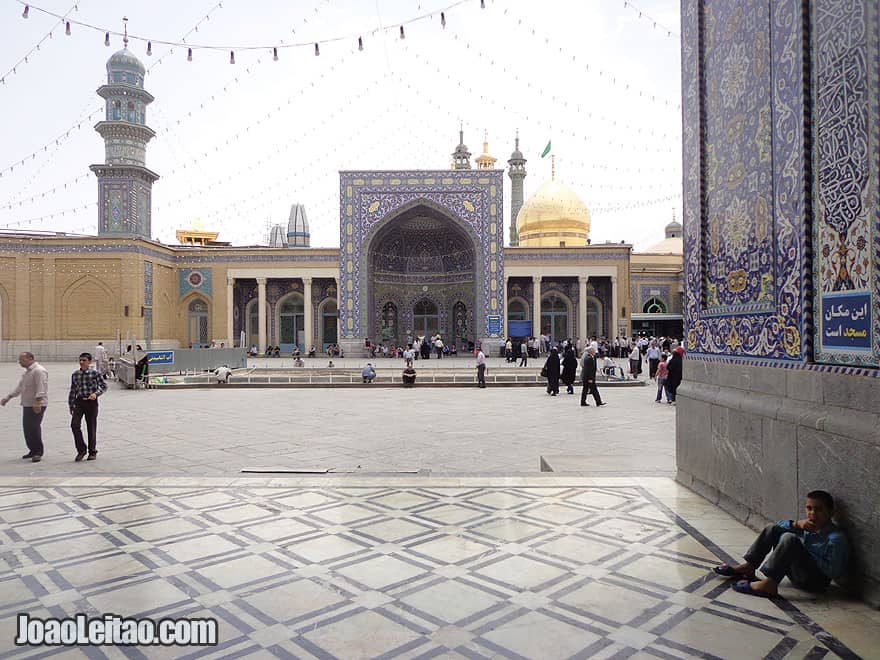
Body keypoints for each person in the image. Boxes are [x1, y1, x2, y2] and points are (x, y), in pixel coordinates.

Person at [714, 490, 849, 598]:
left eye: (819, 509)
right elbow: (777, 526)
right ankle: (749, 566)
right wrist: (796, 524)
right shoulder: (806, 526)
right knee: (773, 528)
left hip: (814, 582)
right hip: (795, 574)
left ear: (831, 512)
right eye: (809, 508)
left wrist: (804, 550)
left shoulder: (836, 538)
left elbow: (834, 572)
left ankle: (770, 585)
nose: (812, 513)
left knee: (790, 538)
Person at [1, 352, 49, 462]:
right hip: (27, 404)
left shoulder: (39, 371)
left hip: (37, 404)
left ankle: (38, 451)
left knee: (34, 427)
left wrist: (38, 402)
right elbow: (20, 387)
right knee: (27, 428)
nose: (20, 362)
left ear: (30, 359)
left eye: (22, 360)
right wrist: (8, 397)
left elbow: (41, 387)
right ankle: (32, 449)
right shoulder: (27, 372)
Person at [68, 352, 108, 462]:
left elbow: (104, 386)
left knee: (91, 427)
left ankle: (92, 451)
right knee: (74, 425)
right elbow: (73, 390)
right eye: (80, 360)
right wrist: (71, 405)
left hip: (91, 402)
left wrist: (96, 394)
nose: (81, 362)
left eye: (84, 360)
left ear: (89, 362)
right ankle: (81, 449)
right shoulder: (75, 374)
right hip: (79, 402)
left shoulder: (94, 373)